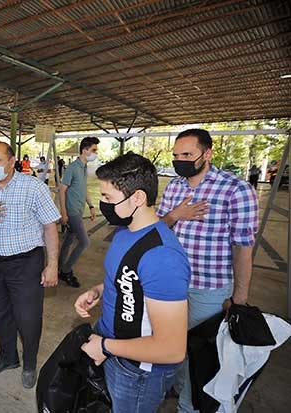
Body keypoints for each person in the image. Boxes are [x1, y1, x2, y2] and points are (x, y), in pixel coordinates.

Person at [76, 152, 190, 412]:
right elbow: (131, 281)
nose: (102, 204)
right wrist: (99, 290)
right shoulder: (125, 231)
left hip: (138, 372)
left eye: (108, 198)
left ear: (138, 197)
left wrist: (105, 346)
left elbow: (172, 349)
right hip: (114, 349)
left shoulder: (163, 257)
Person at [156, 128, 258, 413]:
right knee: (173, 345)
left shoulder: (236, 190)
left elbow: (242, 247)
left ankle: (189, 408)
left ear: (207, 153)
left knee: (199, 354)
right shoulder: (175, 187)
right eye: (176, 155)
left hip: (209, 289)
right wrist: (176, 215)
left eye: (187, 154)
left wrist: (239, 297)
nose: (180, 161)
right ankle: (177, 389)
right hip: (173, 284)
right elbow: (160, 227)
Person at [0, 142, 60, 389]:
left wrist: (52, 264)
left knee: (28, 318)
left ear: (12, 162)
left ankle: (29, 364)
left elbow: (51, 225)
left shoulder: (32, 187)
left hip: (26, 263)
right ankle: (8, 358)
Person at [58, 137, 99, 288]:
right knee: (85, 242)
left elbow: (84, 189)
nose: (96, 153)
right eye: (94, 150)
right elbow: (62, 190)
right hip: (72, 211)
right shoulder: (73, 168)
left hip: (79, 210)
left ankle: (60, 267)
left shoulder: (83, 168)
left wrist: (91, 206)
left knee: (69, 240)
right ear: (85, 150)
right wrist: (64, 213)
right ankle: (66, 270)